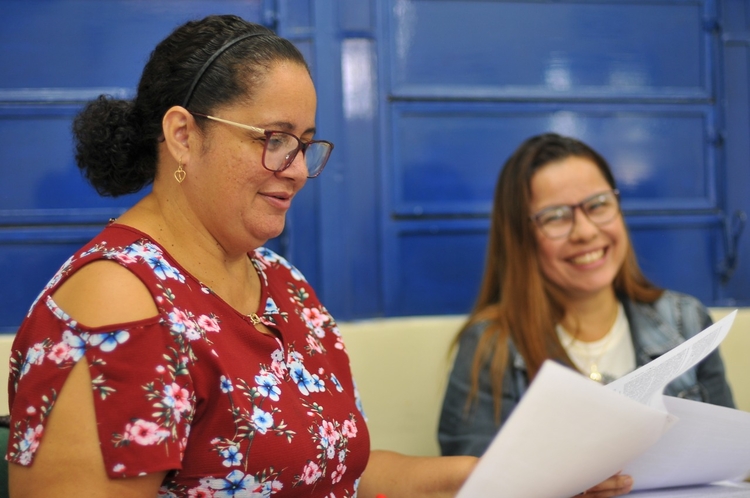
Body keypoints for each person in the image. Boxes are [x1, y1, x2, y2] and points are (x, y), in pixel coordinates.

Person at [5, 16, 632, 498]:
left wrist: (517, 474)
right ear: (182, 135)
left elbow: (337, 475)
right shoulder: (118, 301)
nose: (299, 171)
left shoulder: (281, 283)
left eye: (305, 145)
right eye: (275, 141)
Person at [438, 132, 735, 459]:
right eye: (555, 216)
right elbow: (470, 484)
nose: (586, 232)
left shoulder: (687, 320)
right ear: (521, 237)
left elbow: (729, 459)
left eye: (598, 205)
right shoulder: (489, 348)